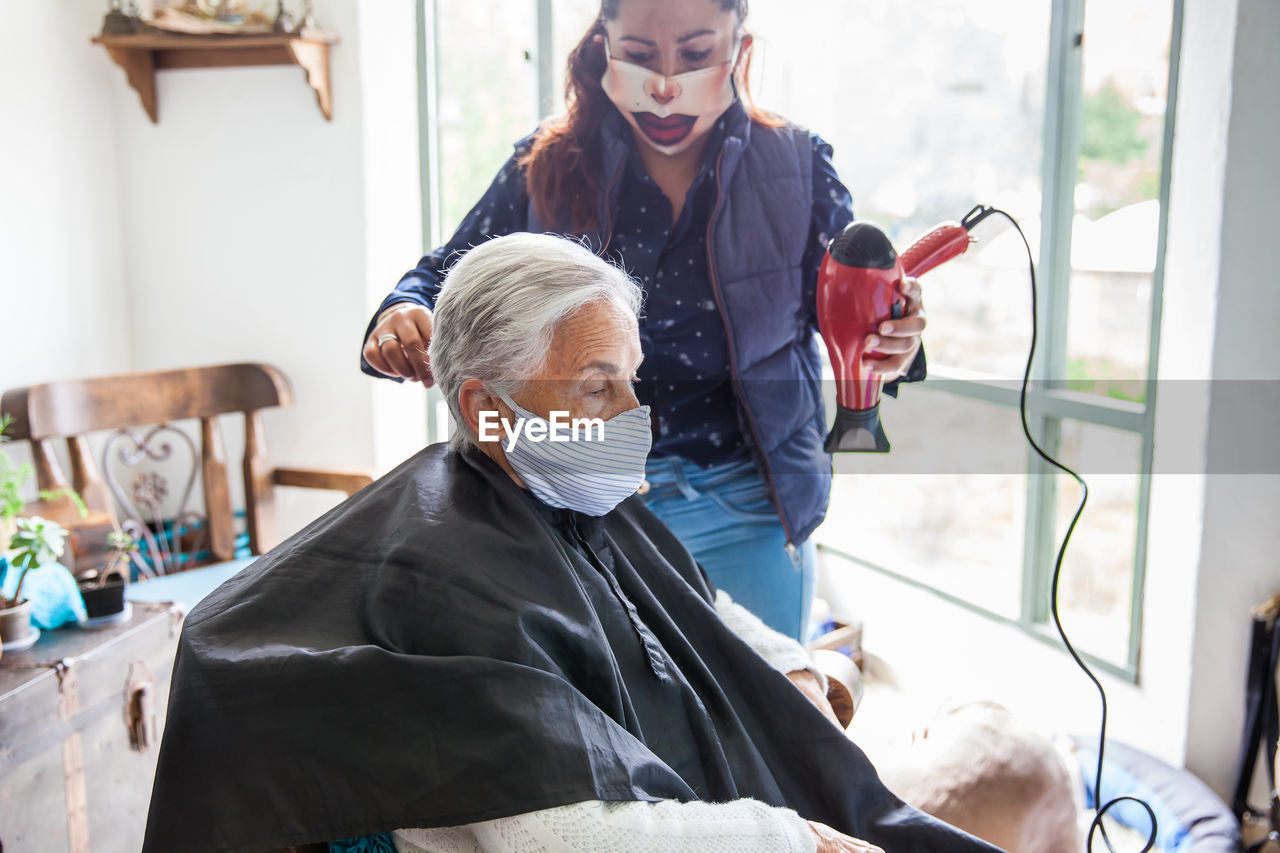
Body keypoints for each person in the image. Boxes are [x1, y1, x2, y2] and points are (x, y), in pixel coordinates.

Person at [146, 234, 992, 853]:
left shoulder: (567, 484)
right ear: (485, 408)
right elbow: (568, 835)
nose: (634, 415)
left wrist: (791, 662)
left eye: (631, 378)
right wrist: (791, 840)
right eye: (597, 386)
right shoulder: (444, 577)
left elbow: (692, 606)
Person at [359, 0, 928, 643]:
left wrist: (893, 340)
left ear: (740, 48)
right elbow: (445, 274)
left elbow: (853, 314)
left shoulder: (797, 170)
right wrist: (404, 310)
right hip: (575, 497)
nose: (664, 84)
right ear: (603, 45)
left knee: (764, 707)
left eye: (693, 55)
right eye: (638, 54)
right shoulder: (545, 165)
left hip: (745, 502)